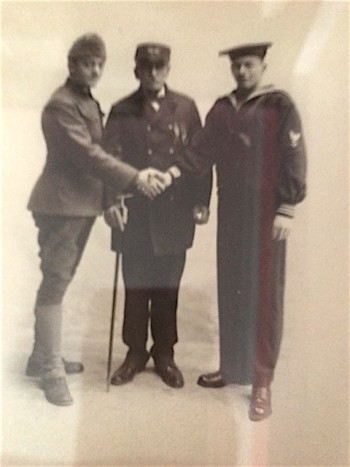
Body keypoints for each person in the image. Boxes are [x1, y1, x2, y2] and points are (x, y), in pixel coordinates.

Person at [163, 42, 307, 420]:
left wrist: (287, 208)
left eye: (248, 65)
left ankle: (261, 381)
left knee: (263, 293)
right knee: (232, 286)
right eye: (237, 66)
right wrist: (174, 172)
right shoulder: (223, 108)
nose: (242, 72)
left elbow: (294, 156)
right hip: (232, 210)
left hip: (267, 214)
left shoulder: (279, 105)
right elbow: (201, 150)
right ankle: (232, 368)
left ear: (262, 65)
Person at [26, 33, 167, 407]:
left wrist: (111, 200)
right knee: (56, 282)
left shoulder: (85, 101)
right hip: (59, 206)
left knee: (59, 279)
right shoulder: (61, 106)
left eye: (100, 63)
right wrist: (135, 178)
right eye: (88, 63)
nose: (96, 69)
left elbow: (98, 157)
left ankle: (40, 356)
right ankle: (50, 370)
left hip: (80, 205)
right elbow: (87, 156)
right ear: (72, 64)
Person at [103, 42, 212, 389]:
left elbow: (200, 155)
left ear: (168, 69)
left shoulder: (186, 107)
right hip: (134, 210)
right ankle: (135, 353)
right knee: (135, 286)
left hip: (173, 211)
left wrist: (201, 200)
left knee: (167, 286)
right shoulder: (121, 110)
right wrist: (111, 202)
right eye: (146, 67)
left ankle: (164, 353)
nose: (153, 73)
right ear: (136, 70)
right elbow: (108, 160)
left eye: (159, 67)